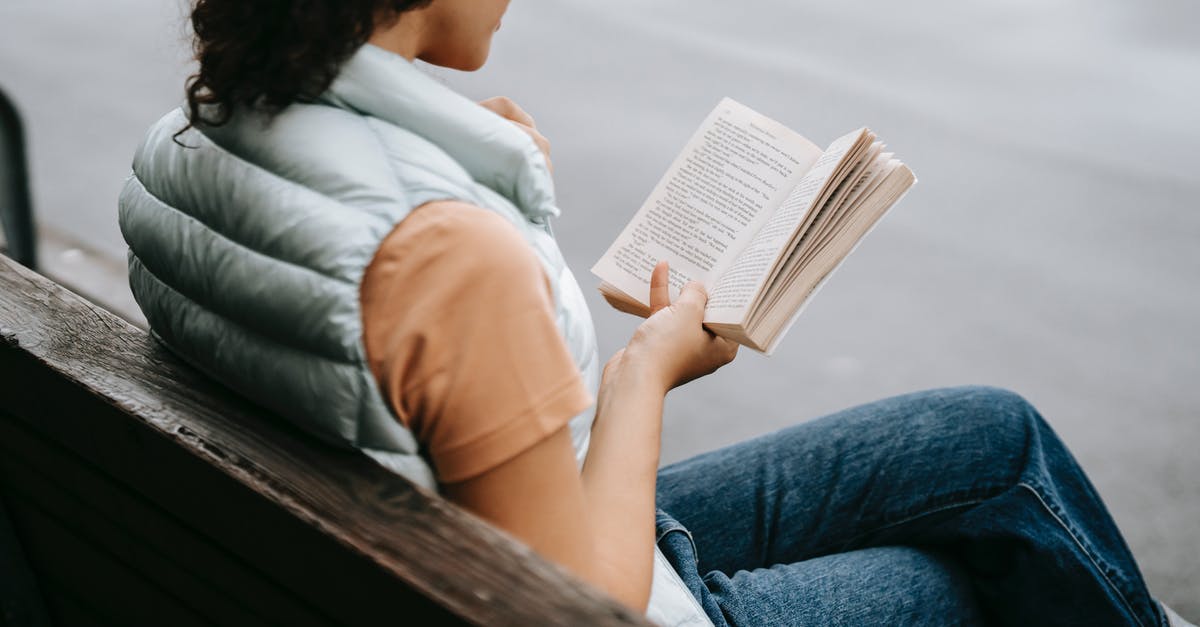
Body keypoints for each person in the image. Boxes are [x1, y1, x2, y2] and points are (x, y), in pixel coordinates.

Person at [117, 0, 1192, 625]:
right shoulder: (444, 251)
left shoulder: (187, 139)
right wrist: (646, 373)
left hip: (403, 556)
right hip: (569, 592)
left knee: (986, 436)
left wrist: (457, 164)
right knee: (953, 588)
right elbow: (574, 611)